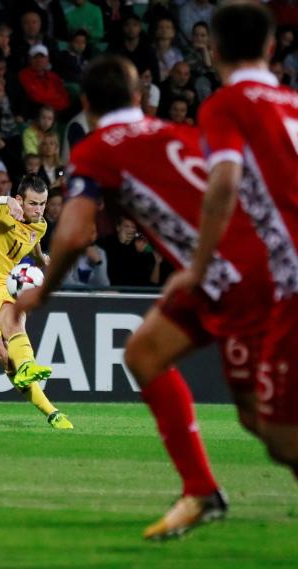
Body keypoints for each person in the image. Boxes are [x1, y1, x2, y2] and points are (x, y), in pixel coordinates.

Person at [15, 54, 274, 540]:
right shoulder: (175, 133)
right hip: (233, 264)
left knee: (270, 423)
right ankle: (200, 491)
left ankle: (203, 489)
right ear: (139, 98)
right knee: (144, 353)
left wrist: (42, 293)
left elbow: (73, 234)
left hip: (242, 278)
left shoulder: (94, 151)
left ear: (86, 106)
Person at [164, 2, 298, 503]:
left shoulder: (226, 105)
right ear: (270, 47)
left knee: (283, 437)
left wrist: (197, 267)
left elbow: (223, 180)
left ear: (212, 49)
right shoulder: (292, 102)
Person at [0, 175, 72, 429]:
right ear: (20, 200)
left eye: (42, 203)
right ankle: (44, 404)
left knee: (16, 324)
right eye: (33, 204)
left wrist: (41, 259)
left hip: (1, 285)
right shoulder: (0, 210)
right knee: (7, 359)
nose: (39, 210)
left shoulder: (40, 225)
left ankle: (51, 409)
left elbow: (33, 239)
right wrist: (4, 200)